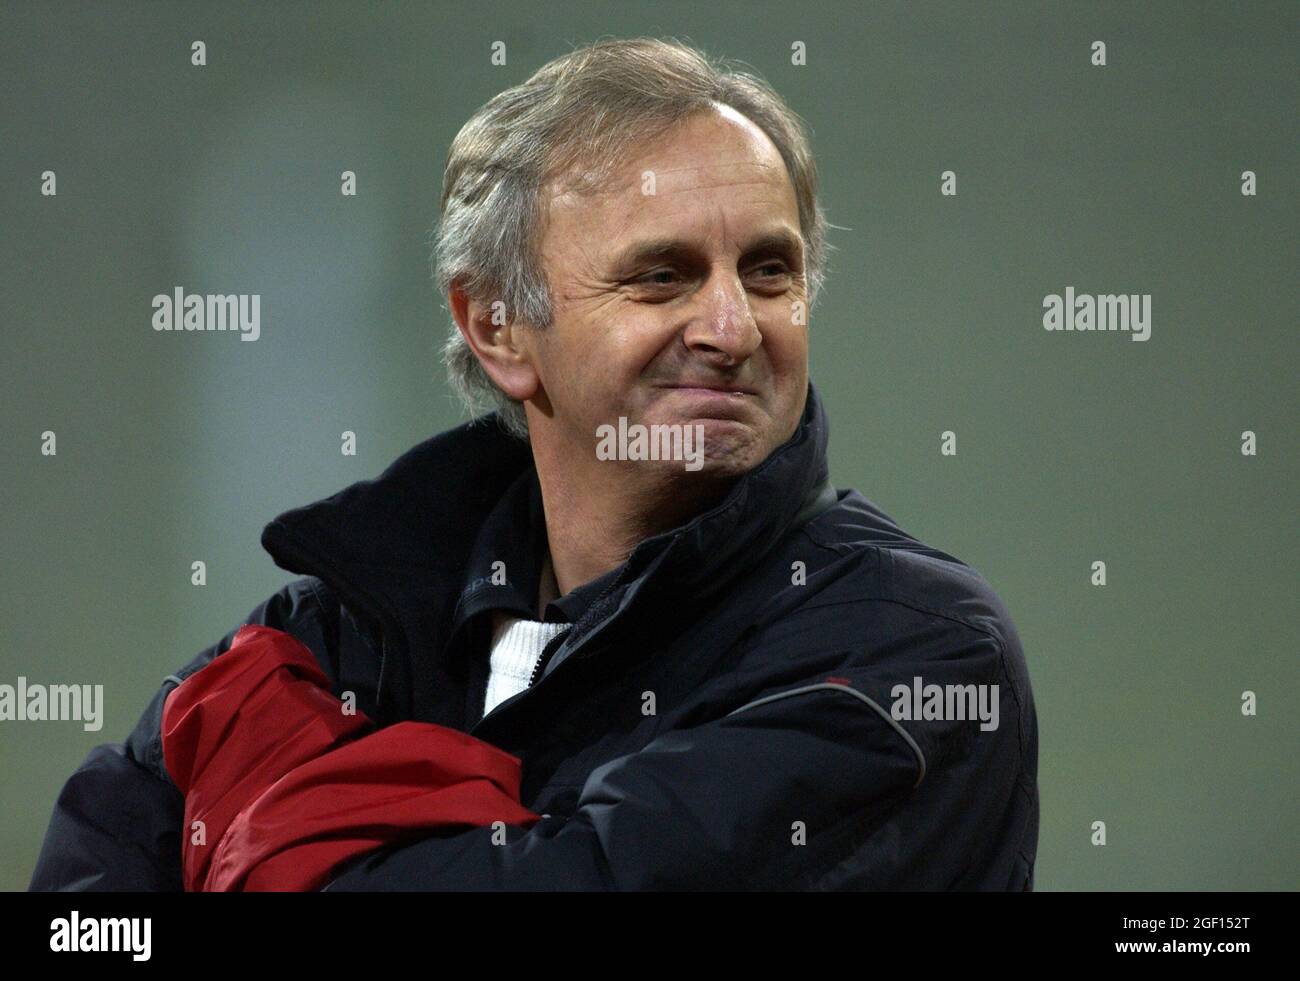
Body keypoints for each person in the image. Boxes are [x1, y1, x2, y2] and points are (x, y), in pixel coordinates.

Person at [30, 37, 1038, 891]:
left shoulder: (910, 652)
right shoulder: (327, 635)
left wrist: (271, 838)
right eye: (663, 275)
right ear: (498, 328)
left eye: (768, 272)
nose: (733, 327)